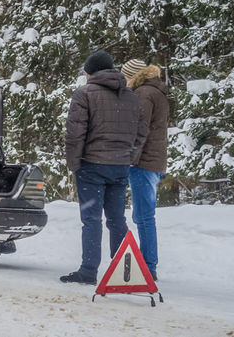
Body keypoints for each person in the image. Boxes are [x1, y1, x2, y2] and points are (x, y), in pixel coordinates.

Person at [60, 51, 148, 284]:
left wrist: (74, 164)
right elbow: (141, 132)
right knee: (116, 219)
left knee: (92, 219)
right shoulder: (130, 96)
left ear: (90, 73)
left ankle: (89, 270)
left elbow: (74, 134)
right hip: (119, 166)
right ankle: (123, 272)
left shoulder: (84, 94)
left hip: (92, 165)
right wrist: (130, 156)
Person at [121, 58, 168, 281]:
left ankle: (148, 265)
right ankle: (148, 262)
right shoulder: (156, 91)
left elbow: (140, 131)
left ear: (133, 76)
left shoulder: (143, 94)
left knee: (144, 216)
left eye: (126, 76)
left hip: (143, 163)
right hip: (154, 161)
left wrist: (130, 158)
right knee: (143, 214)